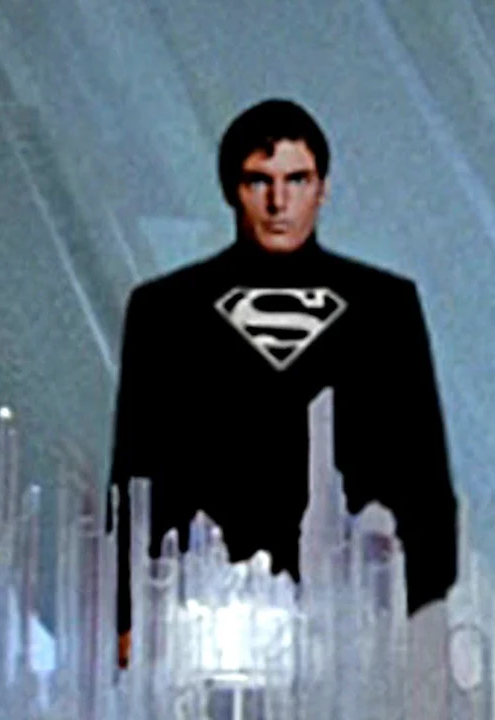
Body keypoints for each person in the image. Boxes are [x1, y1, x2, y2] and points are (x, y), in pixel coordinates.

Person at [108, 99, 459, 683]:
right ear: (231, 189)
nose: (278, 202)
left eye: (297, 180)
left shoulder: (385, 306)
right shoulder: (165, 310)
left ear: (322, 188)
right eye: (259, 181)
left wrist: (429, 620)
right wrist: (126, 613)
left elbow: (423, 480)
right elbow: (135, 470)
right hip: (205, 619)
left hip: (352, 625)